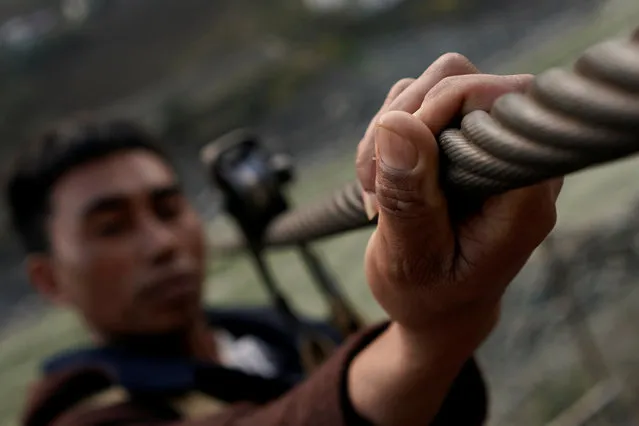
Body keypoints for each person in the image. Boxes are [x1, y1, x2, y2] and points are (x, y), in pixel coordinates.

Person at [7, 53, 562, 426]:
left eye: (169, 207)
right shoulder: (77, 411)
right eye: (111, 227)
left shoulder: (268, 332)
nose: (161, 242)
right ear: (49, 279)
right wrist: (431, 331)